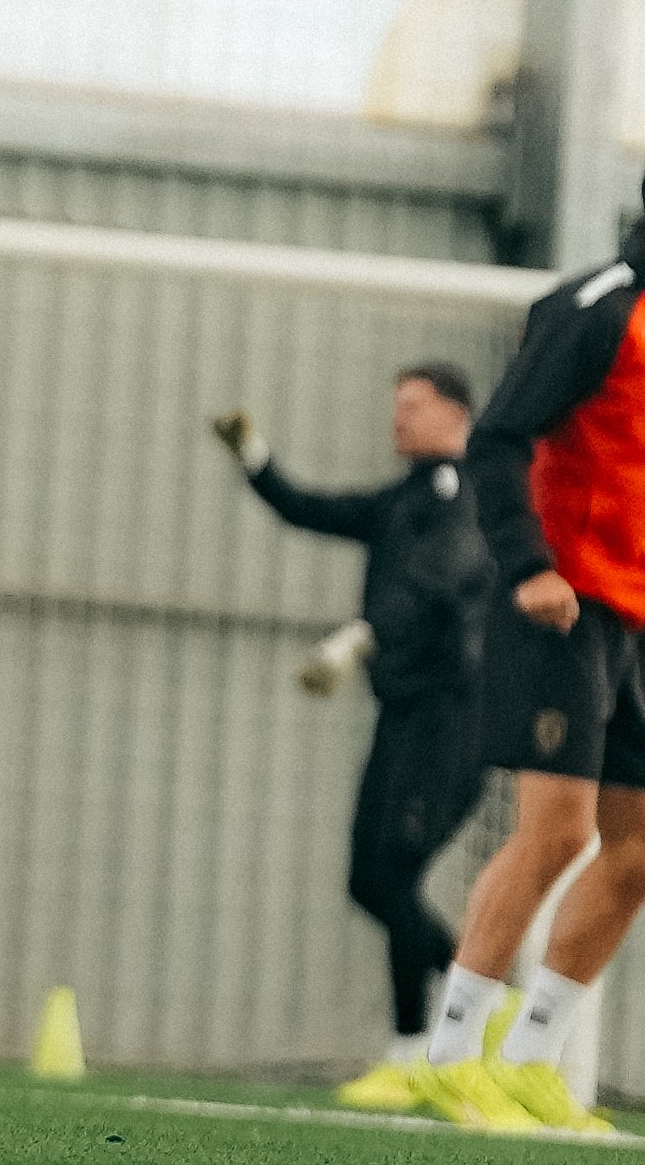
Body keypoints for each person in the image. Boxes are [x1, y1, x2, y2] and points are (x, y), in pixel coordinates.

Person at [416, 143, 645, 1134]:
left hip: (630, 615)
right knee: (559, 830)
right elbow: (499, 437)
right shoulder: (597, 306)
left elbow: (633, 454)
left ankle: (531, 1059)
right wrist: (530, 565)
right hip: (559, 606)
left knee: (644, 848)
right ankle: (450, 1058)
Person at [209, 364, 495, 1110]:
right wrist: (254, 455)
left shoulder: (459, 494)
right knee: (366, 881)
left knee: (393, 878)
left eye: (413, 406)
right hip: (404, 715)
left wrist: (356, 640)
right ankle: (485, 998)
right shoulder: (403, 497)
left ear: (456, 414)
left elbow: (436, 583)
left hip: (451, 718)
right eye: (393, 404)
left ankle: (411, 1054)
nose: (396, 418)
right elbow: (307, 508)